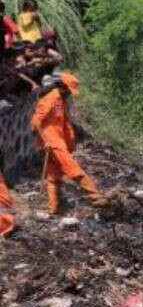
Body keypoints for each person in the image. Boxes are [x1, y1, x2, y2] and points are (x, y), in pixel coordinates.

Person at [31, 72, 108, 215]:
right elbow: (35, 122)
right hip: (52, 143)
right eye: (69, 91)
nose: (70, 94)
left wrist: (70, 143)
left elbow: (63, 124)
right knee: (73, 169)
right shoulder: (50, 99)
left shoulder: (60, 100)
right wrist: (45, 140)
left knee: (53, 177)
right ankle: (97, 197)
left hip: (58, 141)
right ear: (63, 87)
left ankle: (53, 210)